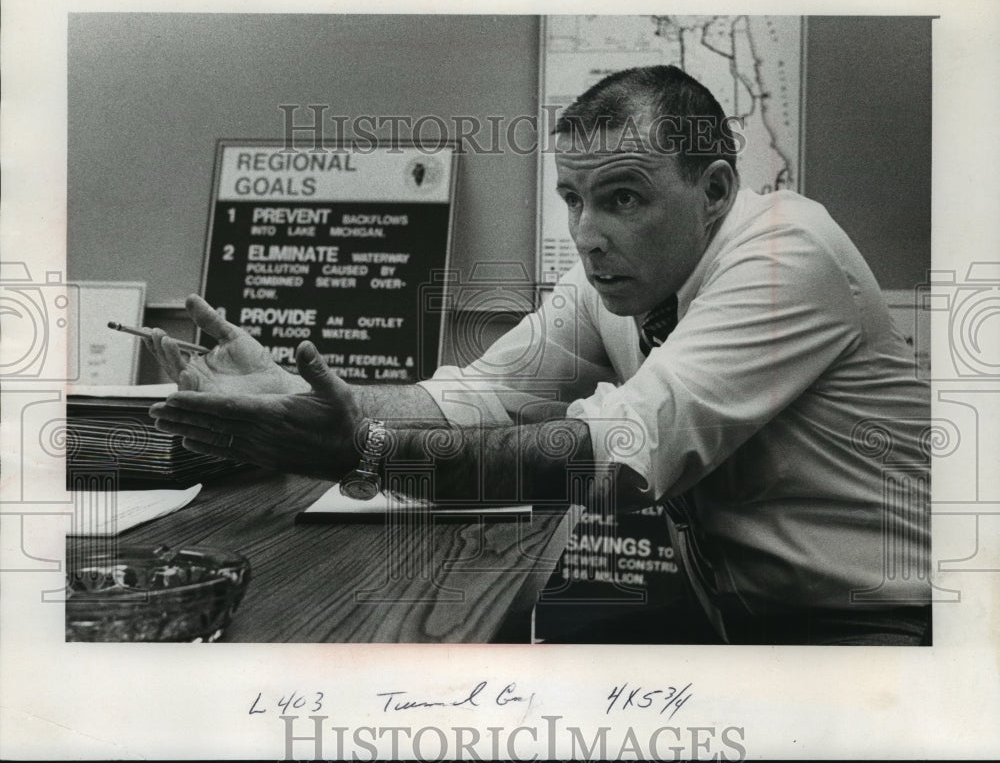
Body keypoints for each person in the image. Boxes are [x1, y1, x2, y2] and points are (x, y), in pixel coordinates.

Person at [146, 65, 931, 644]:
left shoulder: (783, 255)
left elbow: (604, 455)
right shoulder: (615, 281)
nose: (588, 234)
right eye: (573, 199)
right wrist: (293, 392)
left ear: (716, 190)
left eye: (624, 197)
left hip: (882, 628)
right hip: (744, 620)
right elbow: (478, 395)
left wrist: (367, 449)